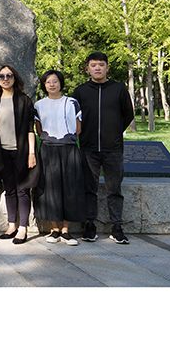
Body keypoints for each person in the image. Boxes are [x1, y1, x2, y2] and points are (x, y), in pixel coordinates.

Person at [72, 52, 134, 244]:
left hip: (113, 149)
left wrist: (114, 132)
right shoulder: (80, 92)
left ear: (107, 67)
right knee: (89, 189)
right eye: (93, 65)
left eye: (101, 64)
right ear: (87, 69)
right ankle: (89, 225)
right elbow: (73, 117)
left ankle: (117, 227)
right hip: (88, 148)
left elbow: (128, 114)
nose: (97, 68)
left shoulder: (118, 89)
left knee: (114, 190)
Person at [34, 70, 85, 246]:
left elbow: (78, 127)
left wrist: (67, 139)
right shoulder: (39, 105)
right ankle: (54, 229)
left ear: (61, 83)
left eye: (55, 81)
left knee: (70, 188)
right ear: (44, 85)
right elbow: (38, 128)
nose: (52, 84)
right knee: (51, 189)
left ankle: (66, 230)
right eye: (48, 82)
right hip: (48, 150)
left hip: (68, 149)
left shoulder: (71, 102)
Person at [0, 64, 39, 245]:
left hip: (21, 151)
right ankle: (12, 226)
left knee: (22, 190)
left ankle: (23, 228)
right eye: (1, 76)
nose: (5, 79)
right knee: (9, 189)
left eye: (9, 75)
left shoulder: (24, 100)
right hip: (1, 152)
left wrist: (31, 153)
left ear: (15, 78)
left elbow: (30, 129)